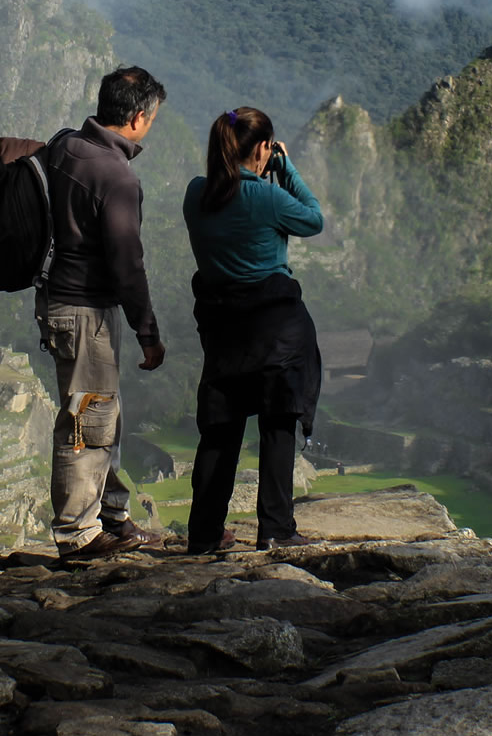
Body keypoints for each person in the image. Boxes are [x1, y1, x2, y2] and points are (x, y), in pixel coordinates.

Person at [181, 107, 325, 553]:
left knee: (220, 430)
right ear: (264, 148)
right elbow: (312, 218)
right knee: (277, 423)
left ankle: (204, 534)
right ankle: (275, 528)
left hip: (223, 328)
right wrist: (287, 168)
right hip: (275, 328)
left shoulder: (197, 194)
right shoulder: (268, 197)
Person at [39, 66, 168, 561]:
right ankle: (78, 533)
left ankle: (111, 515)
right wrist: (147, 332)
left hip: (60, 303)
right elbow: (127, 265)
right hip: (86, 309)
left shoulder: (66, 145)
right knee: (87, 421)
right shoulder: (116, 177)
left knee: (101, 415)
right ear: (137, 117)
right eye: (152, 118)